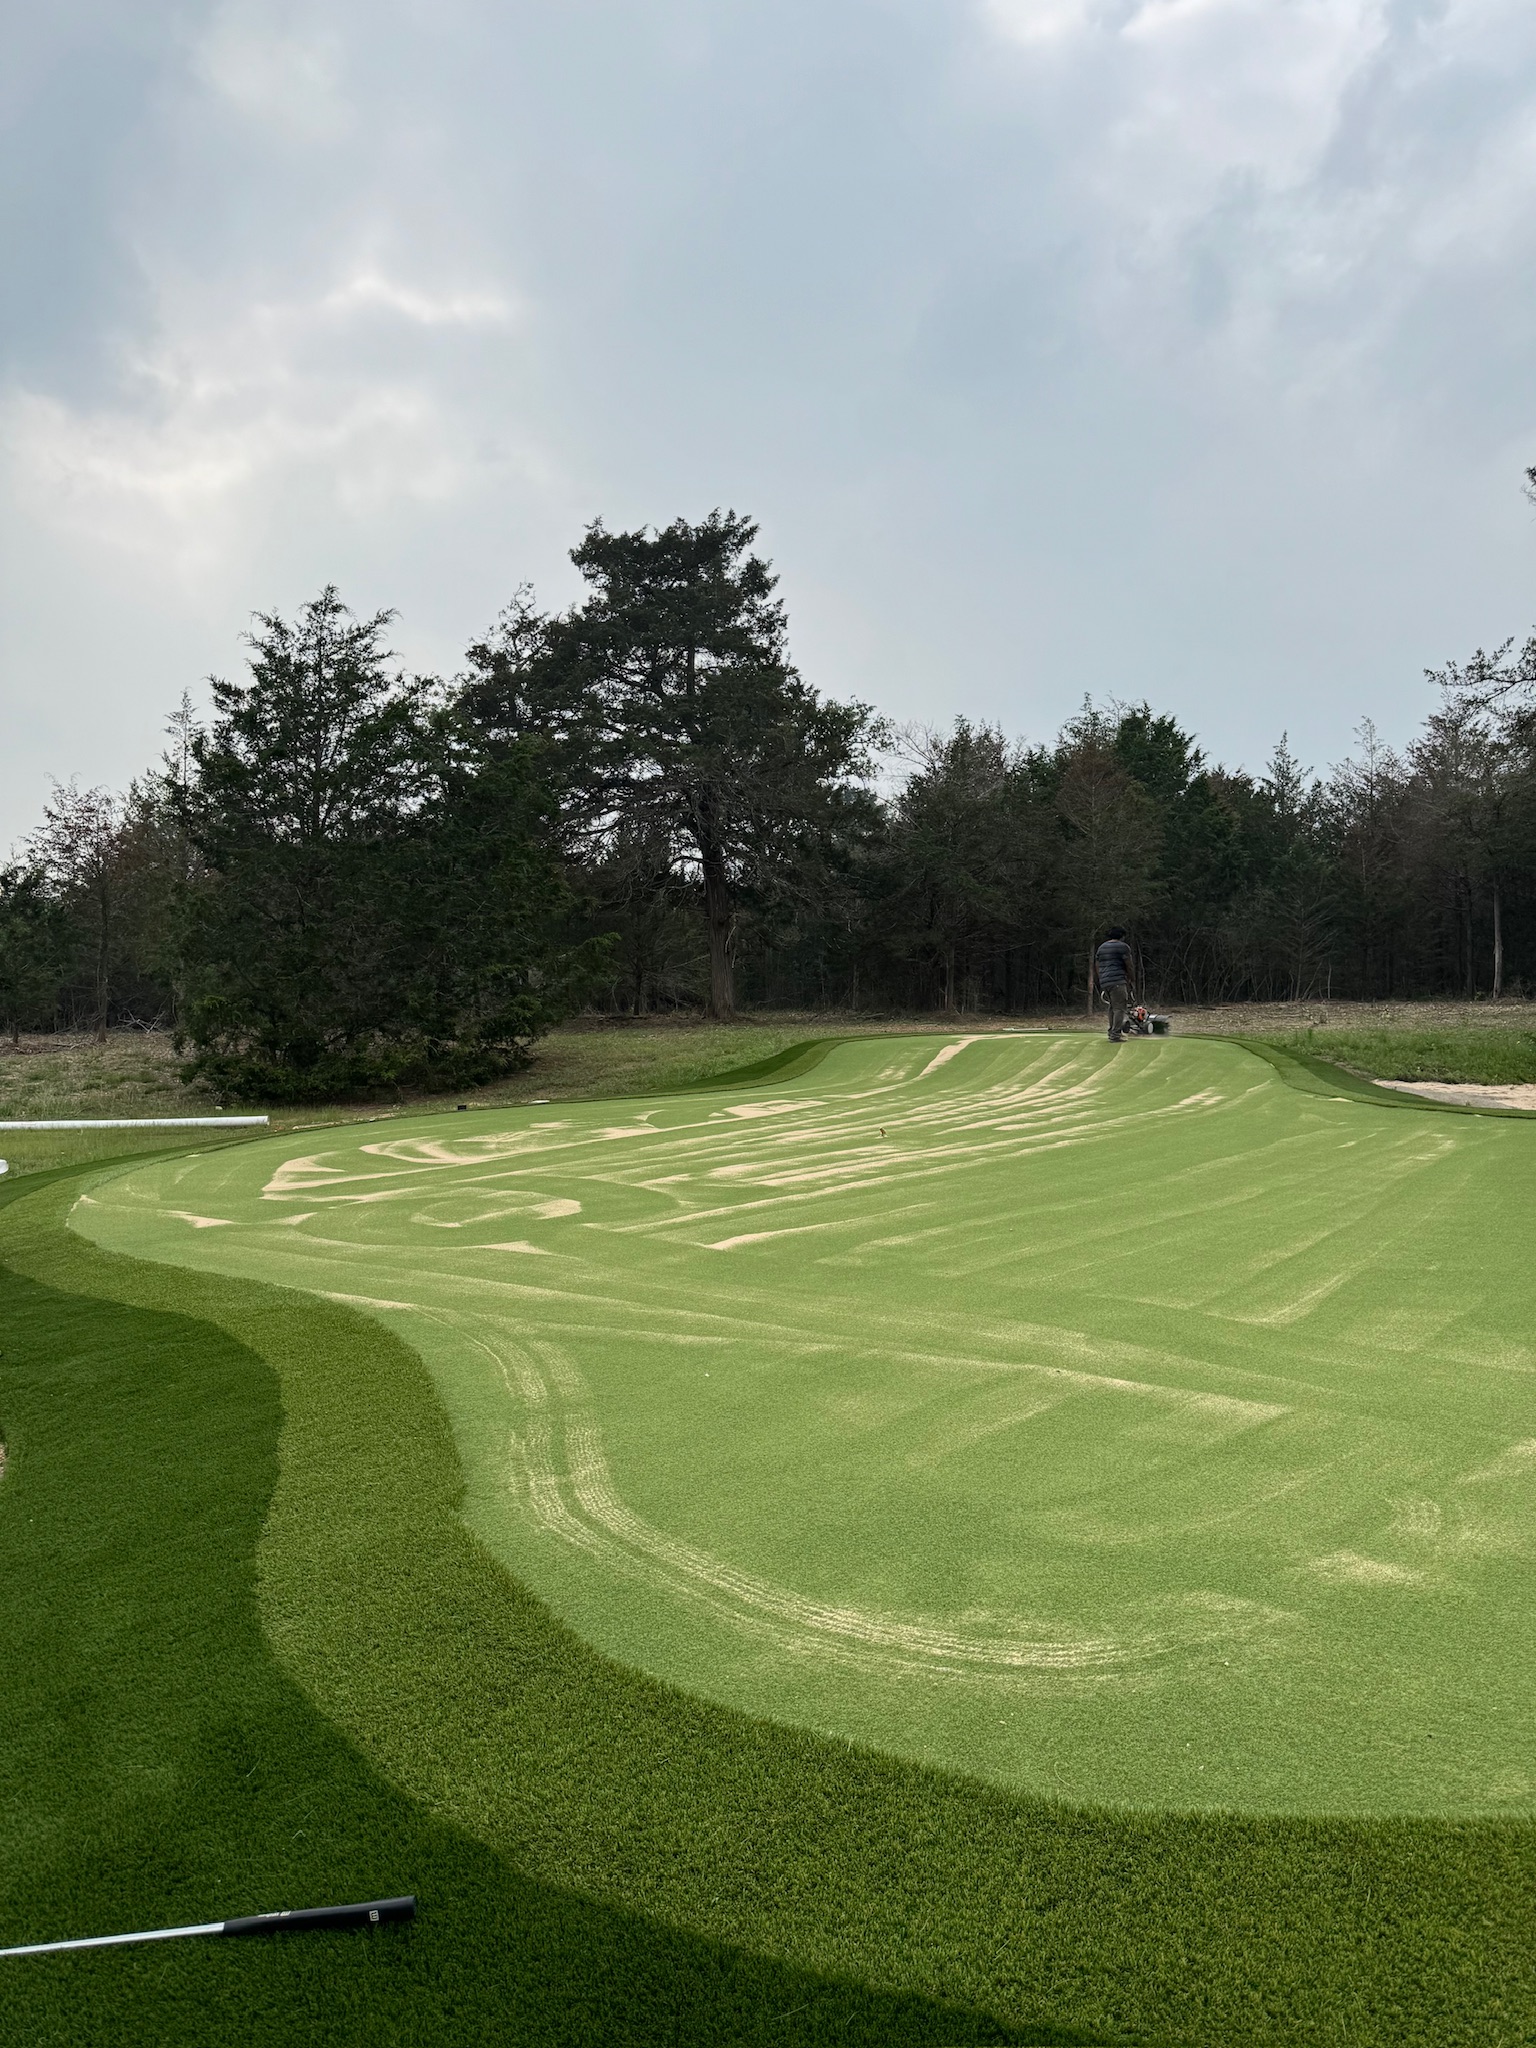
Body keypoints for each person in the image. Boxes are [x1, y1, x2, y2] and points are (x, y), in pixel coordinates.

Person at [1095, 926, 1135, 1042]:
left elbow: (1097, 965)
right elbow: (1129, 965)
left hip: (1105, 981)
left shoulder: (1102, 947)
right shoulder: (1123, 947)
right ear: (1122, 936)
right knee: (1119, 1008)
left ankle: (1111, 1031)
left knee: (1112, 1007)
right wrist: (1131, 979)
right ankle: (1115, 1035)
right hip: (1117, 981)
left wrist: (1101, 978)